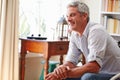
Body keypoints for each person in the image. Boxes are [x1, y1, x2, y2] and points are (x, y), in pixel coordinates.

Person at [45, 1, 120, 80]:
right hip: (98, 73)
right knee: (62, 77)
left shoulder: (96, 31)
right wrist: (61, 69)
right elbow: (71, 61)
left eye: (72, 15)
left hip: (114, 74)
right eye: (67, 16)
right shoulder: (75, 34)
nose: (68, 19)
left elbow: (94, 67)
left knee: (87, 77)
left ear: (84, 16)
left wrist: (66, 73)